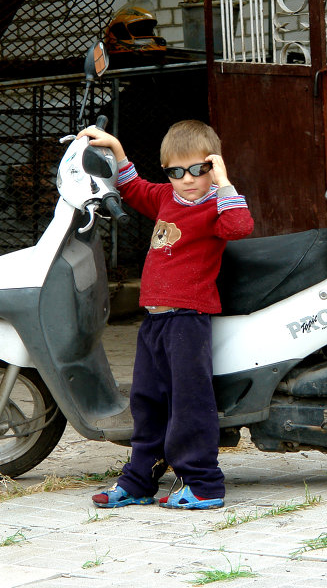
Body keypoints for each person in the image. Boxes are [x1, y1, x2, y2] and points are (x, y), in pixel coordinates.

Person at [77, 120, 254, 510]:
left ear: (212, 166)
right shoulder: (165, 198)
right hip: (155, 320)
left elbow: (240, 227)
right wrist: (117, 150)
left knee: (189, 403)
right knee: (147, 401)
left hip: (187, 320)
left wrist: (224, 181)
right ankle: (139, 480)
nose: (187, 179)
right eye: (176, 171)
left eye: (198, 169)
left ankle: (205, 484)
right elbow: (133, 187)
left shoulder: (215, 206)